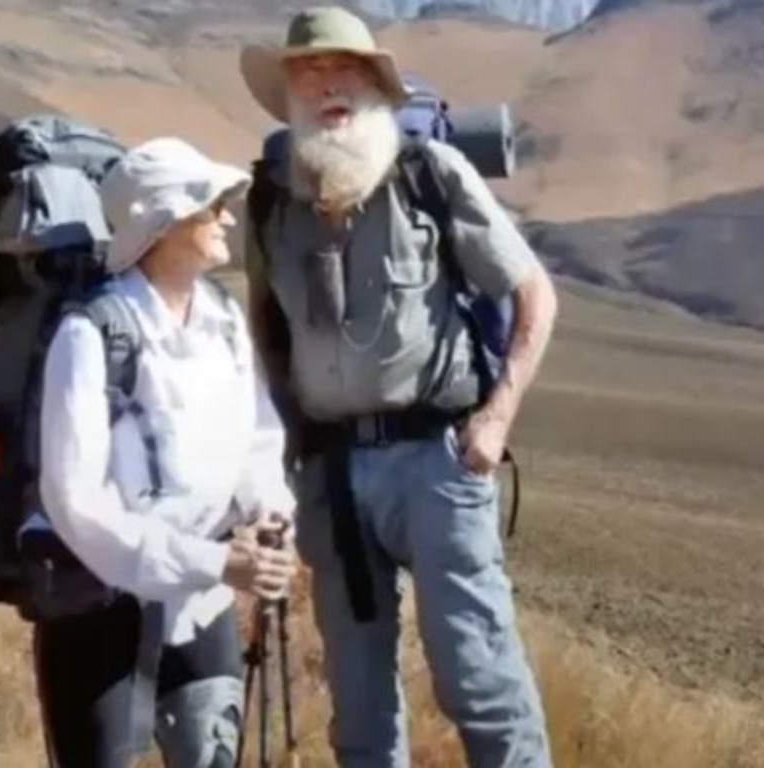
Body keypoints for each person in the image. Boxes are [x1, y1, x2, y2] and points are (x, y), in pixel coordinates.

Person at [239, 6, 558, 768]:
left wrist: (496, 417)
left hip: (436, 460)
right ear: (290, 92)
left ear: (375, 83)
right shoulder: (269, 203)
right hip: (332, 474)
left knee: (477, 675)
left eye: (343, 69)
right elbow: (263, 329)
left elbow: (534, 295)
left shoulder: (428, 175)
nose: (327, 86)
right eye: (309, 72)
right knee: (357, 700)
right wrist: (286, 453)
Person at [32, 136, 298, 767]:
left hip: (202, 604)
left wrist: (269, 516)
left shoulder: (224, 320)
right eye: (211, 207)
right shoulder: (89, 333)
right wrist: (214, 561)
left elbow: (258, 437)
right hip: (98, 608)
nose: (227, 218)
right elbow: (75, 503)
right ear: (163, 221)